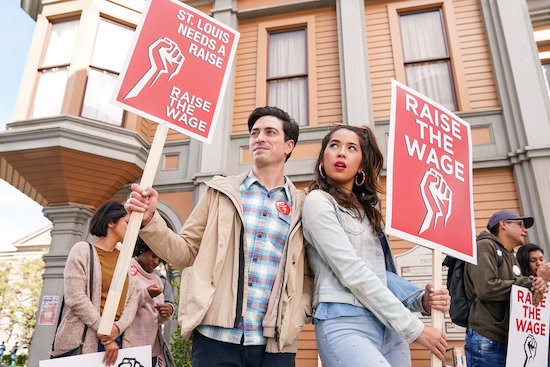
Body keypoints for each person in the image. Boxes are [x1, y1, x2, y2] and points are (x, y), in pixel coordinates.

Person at [125, 106, 312, 367]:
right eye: (255, 132)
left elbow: (309, 274)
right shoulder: (219, 192)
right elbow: (184, 252)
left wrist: (300, 310)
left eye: (270, 132)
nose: (259, 138)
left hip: (275, 344)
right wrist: (149, 220)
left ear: (288, 146)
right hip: (216, 338)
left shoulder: (303, 206)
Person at [301, 125, 449, 366]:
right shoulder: (318, 202)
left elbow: (380, 274)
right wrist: (415, 328)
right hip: (346, 324)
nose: (341, 153)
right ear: (322, 159)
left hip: (389, 329)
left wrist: (420, 300)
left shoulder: (368, 212)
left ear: (361, 166)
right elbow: (352, 271)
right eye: (334, 145)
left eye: (351, 148)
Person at [51, 201, 139, 366]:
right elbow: (75, 297)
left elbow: (133, 299)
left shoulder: (127, 259)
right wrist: (105, 333)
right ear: (110, 222)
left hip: (118, 338)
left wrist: (116, 329)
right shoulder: (82, 250)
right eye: (127, 223)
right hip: (84, 338)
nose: (132, 229)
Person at [464, 209, 548, 366]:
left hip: (507, 339)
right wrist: (527, 283)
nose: (525, 230)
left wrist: (537, 286)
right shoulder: (484, 246)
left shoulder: (512, 257)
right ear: (503, 224)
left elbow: (517, 290)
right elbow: (486, 288)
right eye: (520, 224)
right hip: (486, 338)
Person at [125, 236, 174, 367]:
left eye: (159, 259)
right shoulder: (126, 270)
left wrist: (166, 312)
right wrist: (147, 294)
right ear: (141, 250)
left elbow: (157, 317)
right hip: (128, 346)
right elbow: (122, 306)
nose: (156, 262)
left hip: (151, 349)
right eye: (153, 256)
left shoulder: (159, 280)